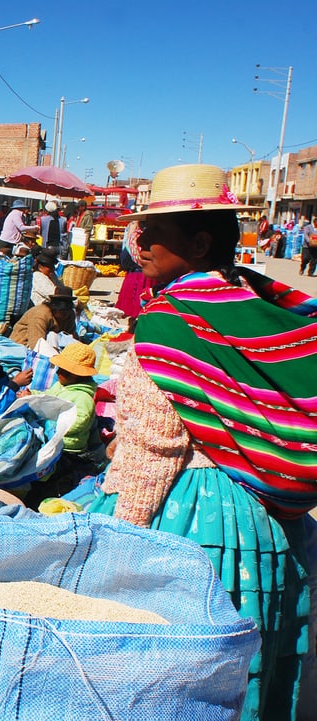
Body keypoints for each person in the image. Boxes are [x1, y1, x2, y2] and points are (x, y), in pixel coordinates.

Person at [79, 163, 317, 720]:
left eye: (153, 234)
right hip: (268, 524)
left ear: (200, 241)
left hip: (195, 522)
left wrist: (116, 542)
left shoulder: (169, 321)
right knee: (253, 665)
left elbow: (152, 450)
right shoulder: (262, 305)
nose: (139, 243)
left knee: (182, 674)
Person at [29, 341, 101, 493]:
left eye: (63, 370)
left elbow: (78, 421)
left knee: (52, 484)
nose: (57, 373)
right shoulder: (60, 387)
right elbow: (47, 397)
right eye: (59, 369)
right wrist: (31, 396)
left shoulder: (83, 398)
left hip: (68, 452)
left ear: (78, 375)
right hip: (51, 441)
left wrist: (51, 423)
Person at [9, 286, 77, 349]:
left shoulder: (70, 315)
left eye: (67, 310)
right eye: (62, 311)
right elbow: (36, 344)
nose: (66, 314)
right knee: (52, 335)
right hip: (24, 345)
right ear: (55, 308)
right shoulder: (40, 314)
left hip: (52, 346)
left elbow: (71, 336)